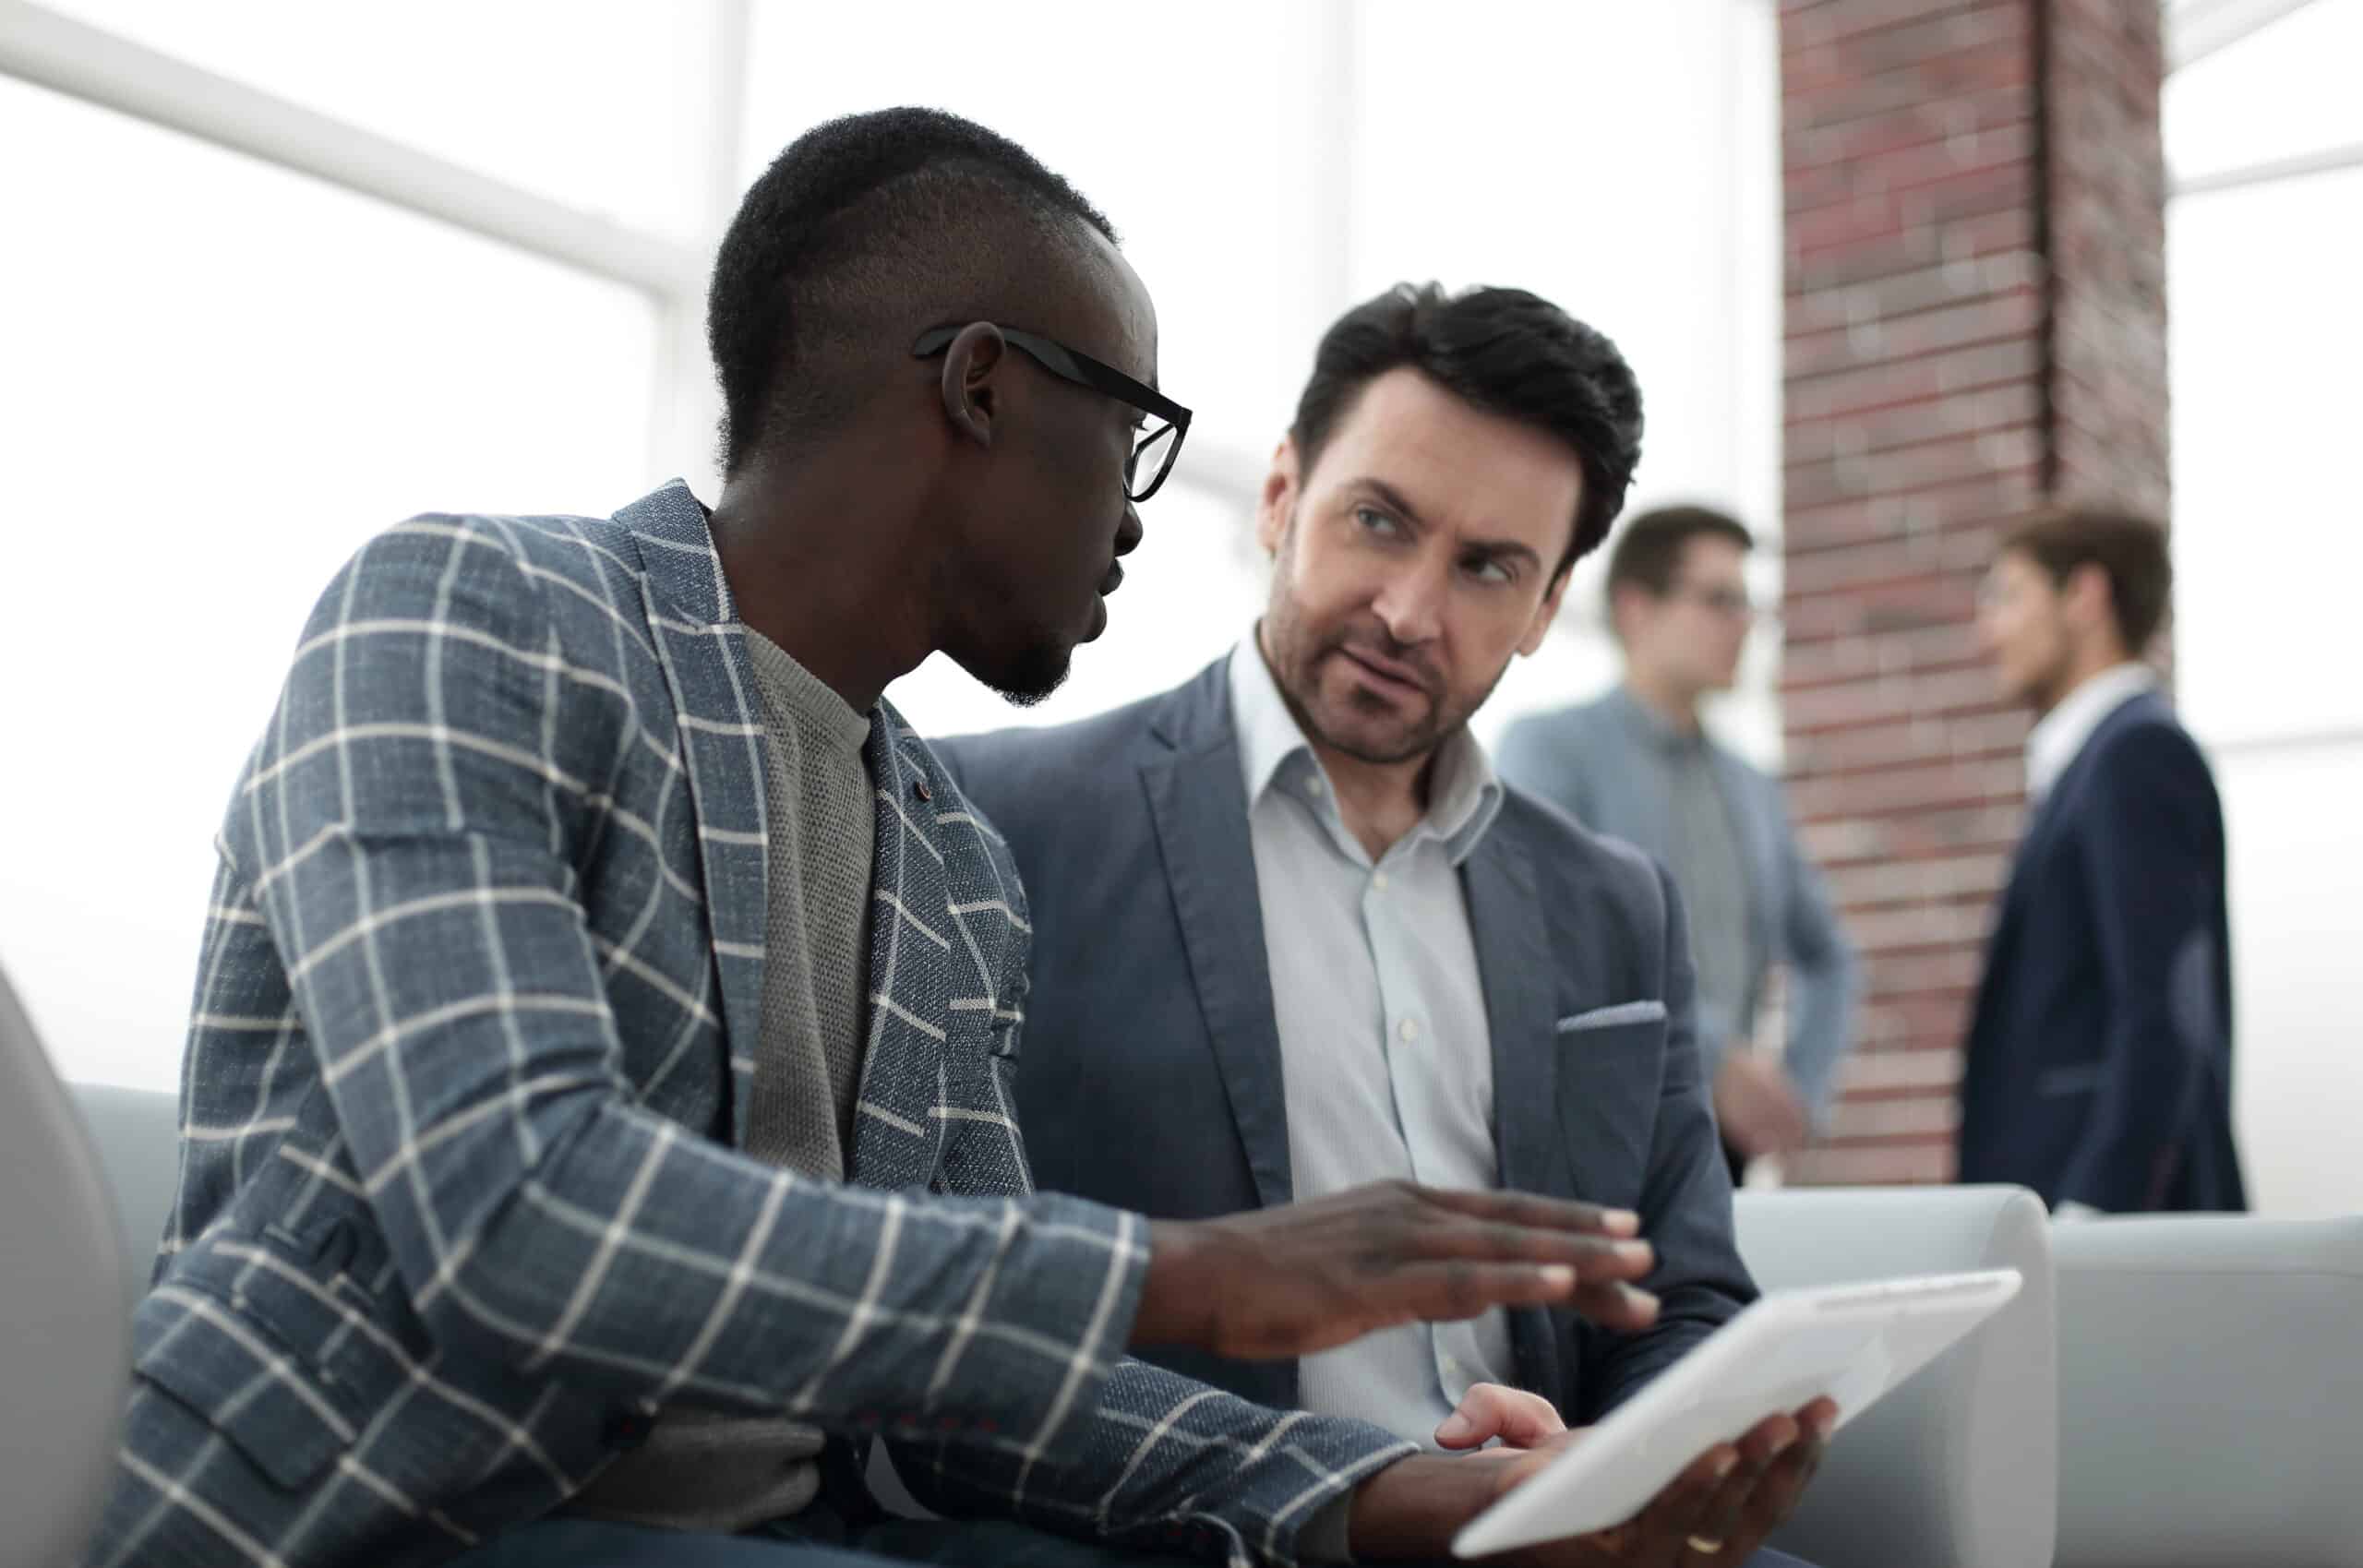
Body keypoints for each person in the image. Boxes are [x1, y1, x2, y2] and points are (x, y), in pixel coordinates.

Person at [82, 112, 1673, 1568]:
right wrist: (1182, 1273)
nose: (1135, 514)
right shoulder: (469, 613)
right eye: (1127, 433)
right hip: (413, 1524)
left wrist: (1387, 1496)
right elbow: (515, 1211)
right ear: (982, 385)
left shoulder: (951, 853)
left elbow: (985, 1378)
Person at [941, 283, 1834, 1568]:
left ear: (1545, 607)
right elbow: (957, 1310)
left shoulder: (1612, 903)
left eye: (1487, 567)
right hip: (1194, 1534)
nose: (1412, 610)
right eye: (1379, 520)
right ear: (1280, 496)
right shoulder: (997, 818)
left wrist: (1616, 1463)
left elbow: (1684, 1292)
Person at [1496, 508, 1857, 1182]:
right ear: (1636, 607)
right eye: (1721, 599)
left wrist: (1799, 1090)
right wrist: (1713, 1055)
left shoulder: (1753, 788)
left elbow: (1830, 955)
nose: (1744, 624)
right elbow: (1549, 932)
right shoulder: (1550, 750)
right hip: (1589, 1142)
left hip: (1718, 1154)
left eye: (1749, 603)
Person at [1960, 504, 2246, 1214]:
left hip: (2106, 1220)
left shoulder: (2136, 755)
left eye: (2006, 595)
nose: (1985, 629)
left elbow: (2163, 1011)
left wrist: (2094, 1211)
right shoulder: (2091, 763)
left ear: (2085, 596)